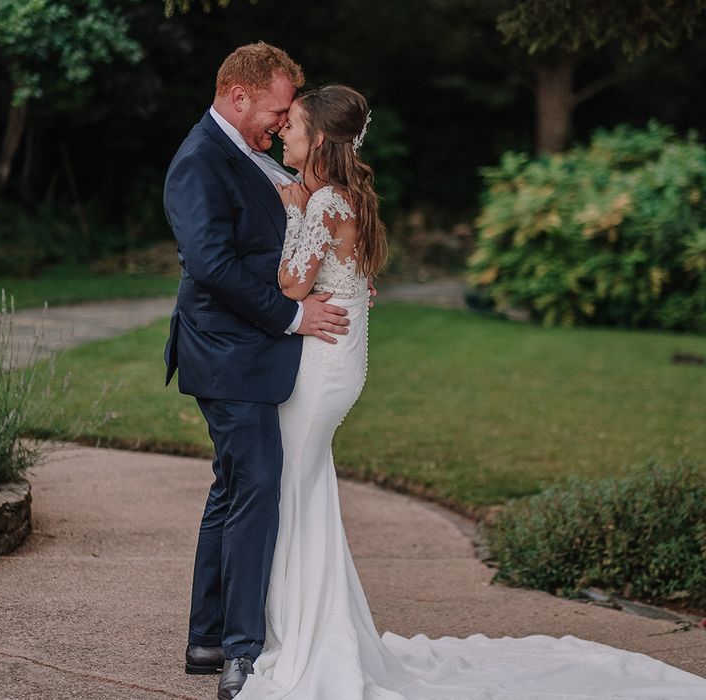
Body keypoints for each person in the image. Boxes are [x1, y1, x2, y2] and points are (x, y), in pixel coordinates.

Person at [233, 85, 706, 699]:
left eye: (293, 124)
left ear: (318, 138)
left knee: (295, 486)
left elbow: (291, 284)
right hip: (336, 359)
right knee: (305, 485)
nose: (287, 134)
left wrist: (292, 207)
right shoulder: (339, 196)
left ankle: (308, 637)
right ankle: (310, 629)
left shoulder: (322, 201)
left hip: (323, 364)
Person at [162, 44, 352, 700]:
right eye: (275, 109)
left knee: (234, 485)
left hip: (245, 354)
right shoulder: (198, 162)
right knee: (257, 487)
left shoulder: (253, 156)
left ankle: (208, 635)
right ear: (237, 96)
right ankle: (242, 652)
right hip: (225, 354)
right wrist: (294, 319)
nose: (280, 121)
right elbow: (212, 265)